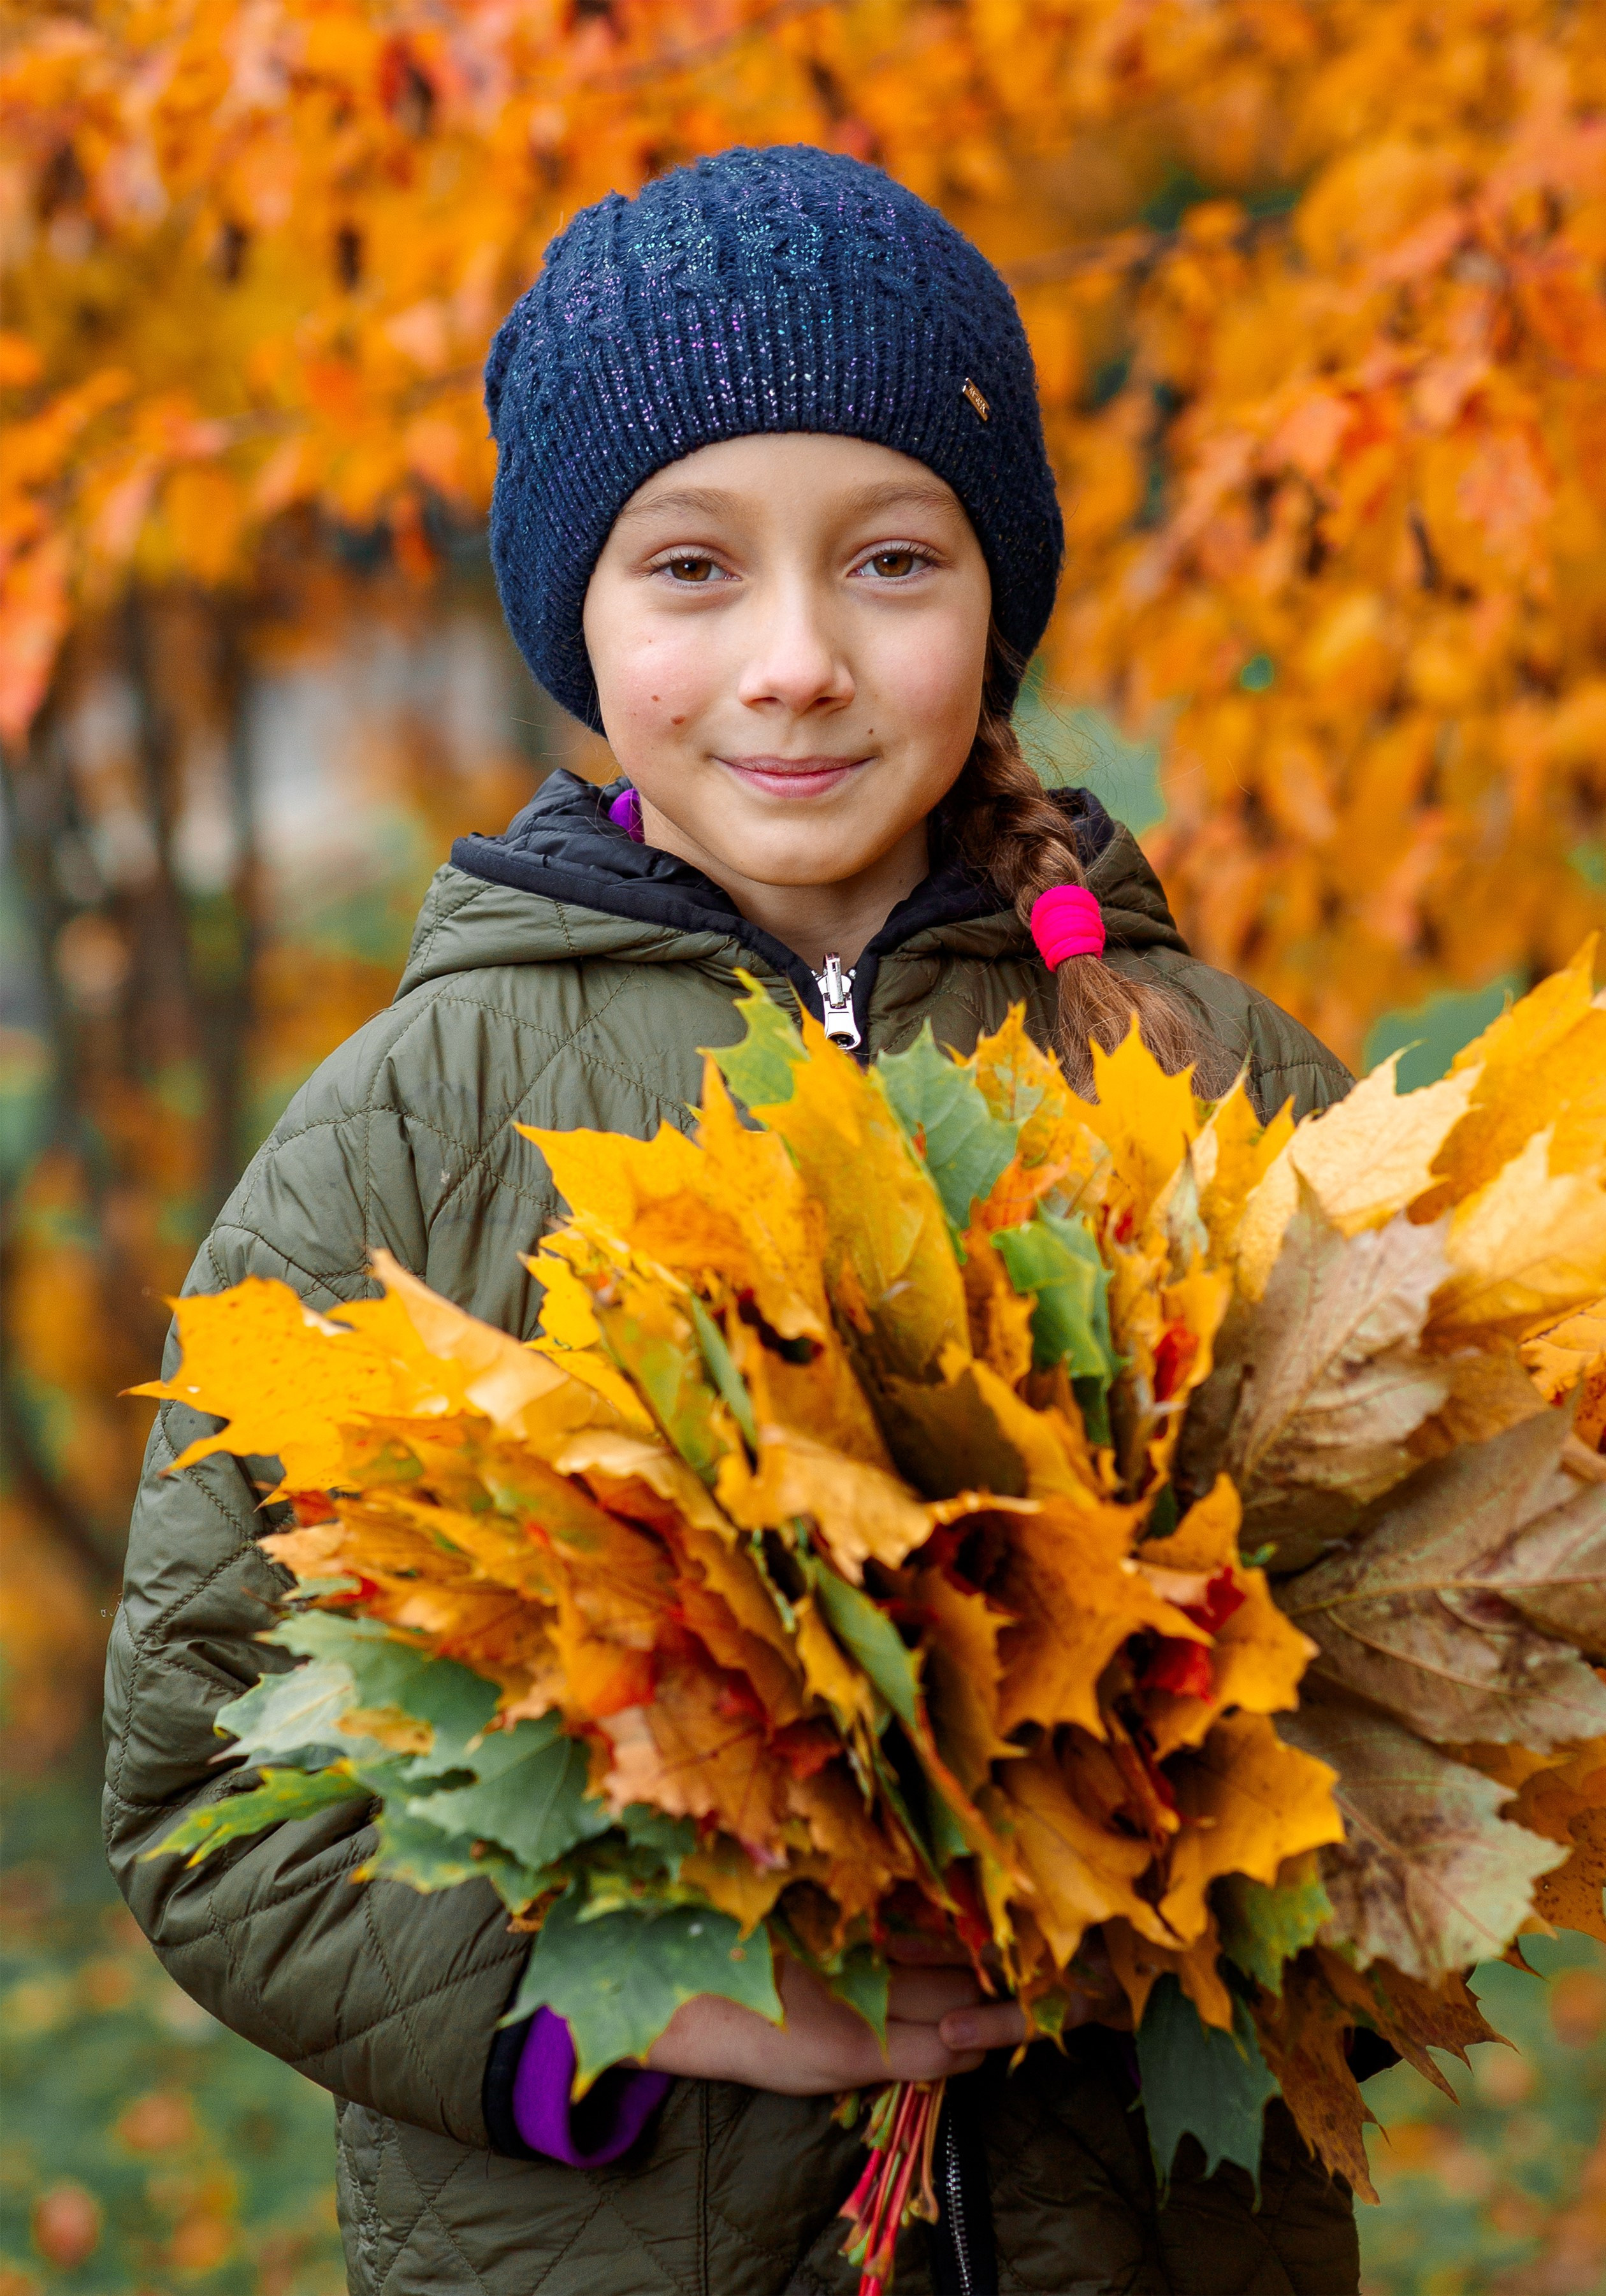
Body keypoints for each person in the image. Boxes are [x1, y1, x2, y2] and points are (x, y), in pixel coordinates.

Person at [106, 147, 1365, 2296]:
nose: (796, 661)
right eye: (691, 568)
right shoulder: (409, 1135)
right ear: (575, 620)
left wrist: (1176, 1839)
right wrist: (621, 2003)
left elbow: (1428, 1626)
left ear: (999, 598)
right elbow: (207, 1786)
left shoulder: (1202, 1077)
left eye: (891, 559)